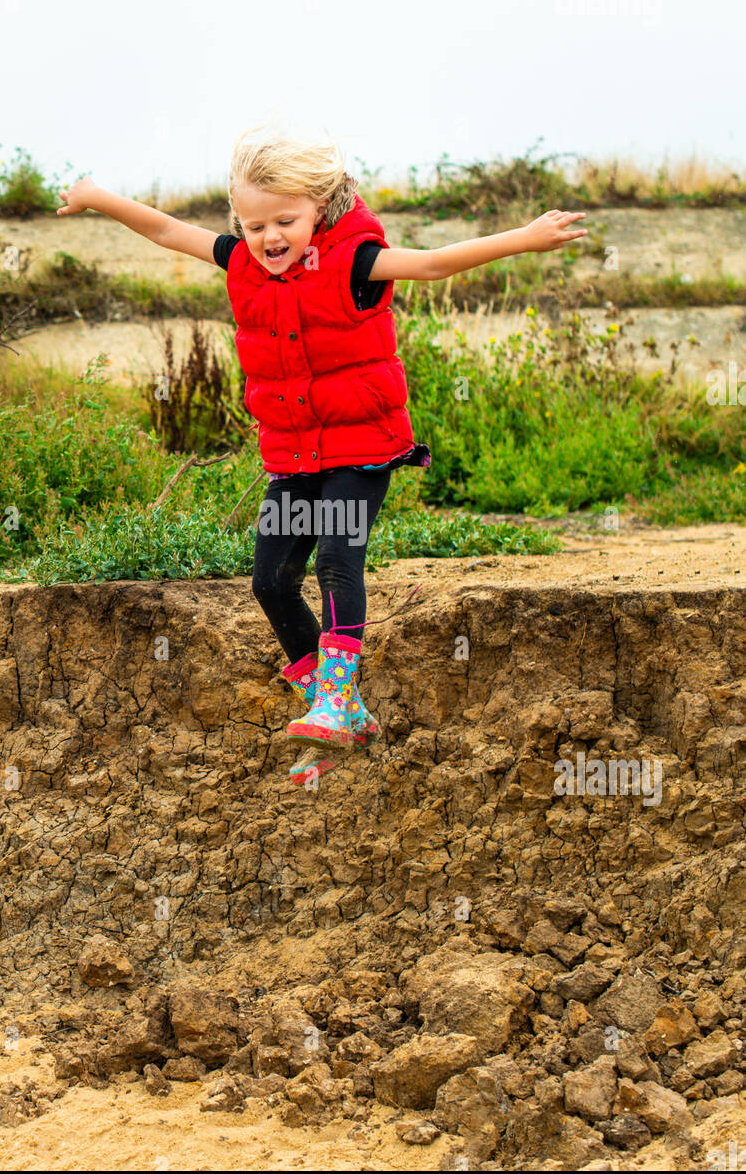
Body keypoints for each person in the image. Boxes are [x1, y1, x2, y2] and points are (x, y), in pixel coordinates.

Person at [57, 125, 588, 776]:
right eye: (254, 225)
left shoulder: (353, 262)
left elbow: (432, 262)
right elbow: (168, 231)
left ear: (321, 208)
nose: (269, 238)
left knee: (337, 559)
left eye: (286, 220)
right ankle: (336, 710)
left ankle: (337, 701)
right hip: (293, 456)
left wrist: (526, 237)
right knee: (270, 580)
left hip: (360, 448)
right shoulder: (243, 262)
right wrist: (95, 195)